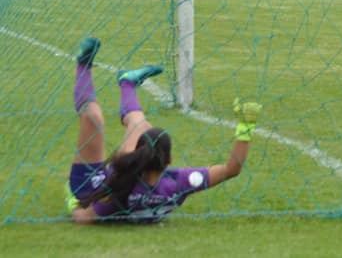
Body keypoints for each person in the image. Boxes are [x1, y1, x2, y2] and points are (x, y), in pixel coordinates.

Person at [66, 36, 261, 223]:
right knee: (140, 127)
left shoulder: (120, 190)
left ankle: (85, 65)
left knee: (94, 118)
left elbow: (85, 218)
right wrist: (245, 128)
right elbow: (231, 169)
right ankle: (127, 83)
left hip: (90, 186)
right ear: (169, 160)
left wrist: (74, 203)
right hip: (114, 179)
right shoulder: (179, 182)